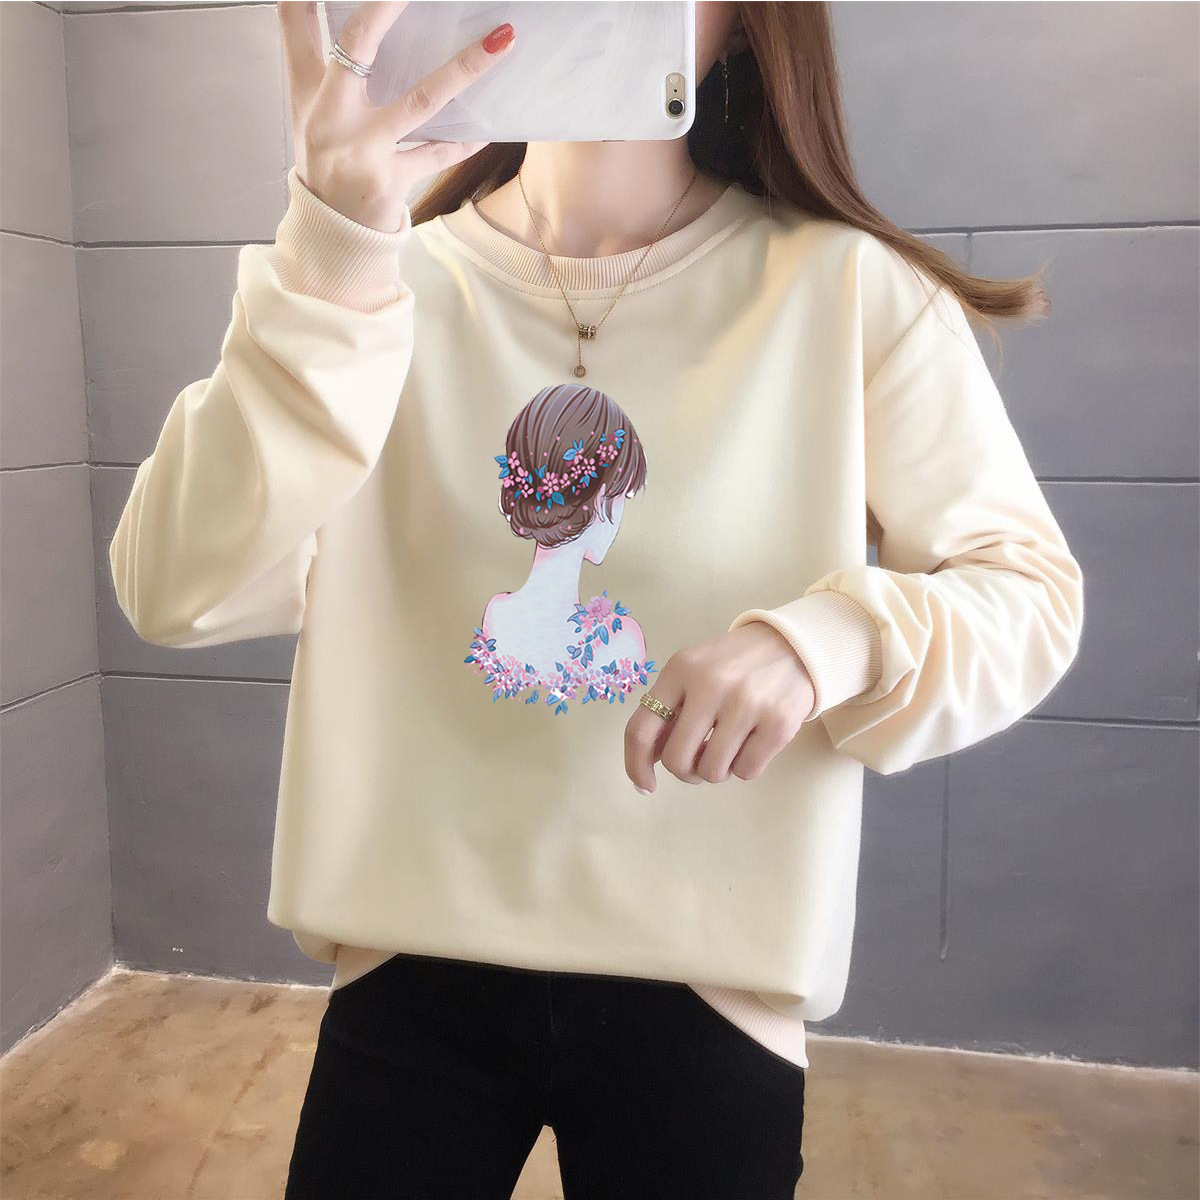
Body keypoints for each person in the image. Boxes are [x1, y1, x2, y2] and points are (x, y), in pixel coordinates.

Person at [106, 1, 1085, 1196]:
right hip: (409, 966)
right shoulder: (373, 281)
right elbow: (169, 588)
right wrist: (332, 253)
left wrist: (826, 640)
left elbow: (1026, 593)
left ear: (743, 25)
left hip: (708, 983)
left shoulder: (847, 291)